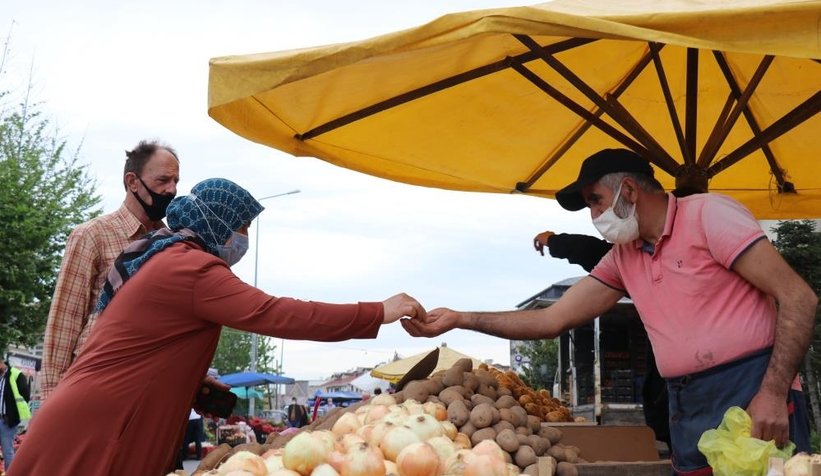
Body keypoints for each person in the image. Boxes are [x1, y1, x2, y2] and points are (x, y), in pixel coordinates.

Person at [403, 148, 817, 475]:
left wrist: (773, 393)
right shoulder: (625, 255)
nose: (594, 215)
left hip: (749, 391)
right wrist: (461, 318)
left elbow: (799, 298)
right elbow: (552, 320)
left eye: (595, 201)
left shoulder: (710, 216)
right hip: (685, 403)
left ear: (630, 192)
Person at [11, 178, 424, 476]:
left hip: (99, 414)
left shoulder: (168, 257)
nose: (244, 239)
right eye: (242, 227)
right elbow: (278, 313)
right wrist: (376, 311)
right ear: (220, 224)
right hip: (102, 426)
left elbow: (144, 351)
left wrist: (195, 386)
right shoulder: (192, 267)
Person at [40, 140, 180, 399]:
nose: (171, 190)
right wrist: (49, 398)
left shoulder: (173, 243)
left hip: (151, 387)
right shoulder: (93, 235)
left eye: (175, 181)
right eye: (163, 180)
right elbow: (65, 320)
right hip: (96, 384)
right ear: (132, 181)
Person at [0, 359, 30, 473]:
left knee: (8, 451)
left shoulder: (16, 374)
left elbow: (25, 396)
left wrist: (14, 415)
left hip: (8, 421)